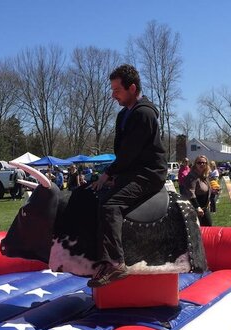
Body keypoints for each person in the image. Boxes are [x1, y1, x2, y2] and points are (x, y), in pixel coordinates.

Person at [88, 64, 167, 288]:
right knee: (97, 196)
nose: (113, 95)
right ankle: (97, 257)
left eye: (117, 90)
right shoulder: (124, 114)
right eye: (112, 90)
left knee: (111, 205)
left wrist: (109, 173)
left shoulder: (144, 113)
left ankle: (115, 263)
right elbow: (121, 152)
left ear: (132, 88)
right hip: (133, 170)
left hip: (149, 174)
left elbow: (129, 152)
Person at [184, 155, 212, 226]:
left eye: (203, 162)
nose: (201, 164)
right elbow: (191, 193)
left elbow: (205, 189)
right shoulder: (192, 177)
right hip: (194, 209)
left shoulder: (204, 176)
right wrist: (197, 207)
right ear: (195, 164)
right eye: (199, 163)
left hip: (204, 209)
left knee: (208, 228)